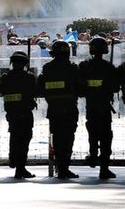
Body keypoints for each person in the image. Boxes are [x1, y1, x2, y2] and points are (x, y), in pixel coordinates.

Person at [37, 40, 83, 179]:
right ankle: (64, 168)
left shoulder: (47, 68)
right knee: (68, 139)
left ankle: (59, 166)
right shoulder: (73, 68)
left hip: (54, 109)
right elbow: (80, 90)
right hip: (69, 108)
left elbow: (41, 89)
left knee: (57, 138)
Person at [78, 37, 120, 179]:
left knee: (93, 133)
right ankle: (104, 168)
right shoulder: (108, 67)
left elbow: (80, 89)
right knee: (106, 137)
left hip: (91, 106)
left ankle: (93, 155)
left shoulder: (84, 66)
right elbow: (115, 88)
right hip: (104, 106)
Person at [0, 51, 38, 179]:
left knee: (14, 137)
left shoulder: (6, 77)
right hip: (26, 113)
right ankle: (20, 167)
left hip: (12, 114)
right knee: (24, 140)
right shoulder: (29, 77)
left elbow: (0, 92)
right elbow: (36, 92)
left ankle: (13, 160)